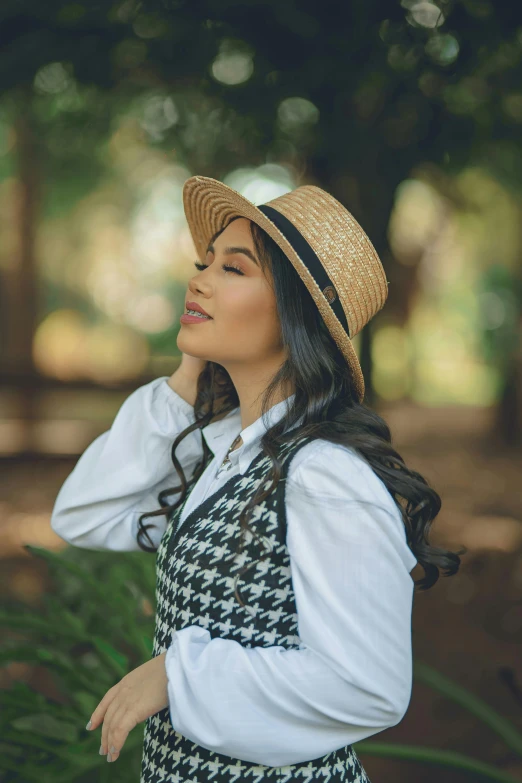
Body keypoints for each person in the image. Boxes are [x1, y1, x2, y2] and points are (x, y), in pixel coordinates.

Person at [51, 176, 462, 782]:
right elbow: (82, 516)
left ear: (295, 315)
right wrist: (184, 380)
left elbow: (368, 687)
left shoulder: (323, 475)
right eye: (204, 263)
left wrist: (178, 676)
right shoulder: (227, 451)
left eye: (234, 270)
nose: (199, 279)